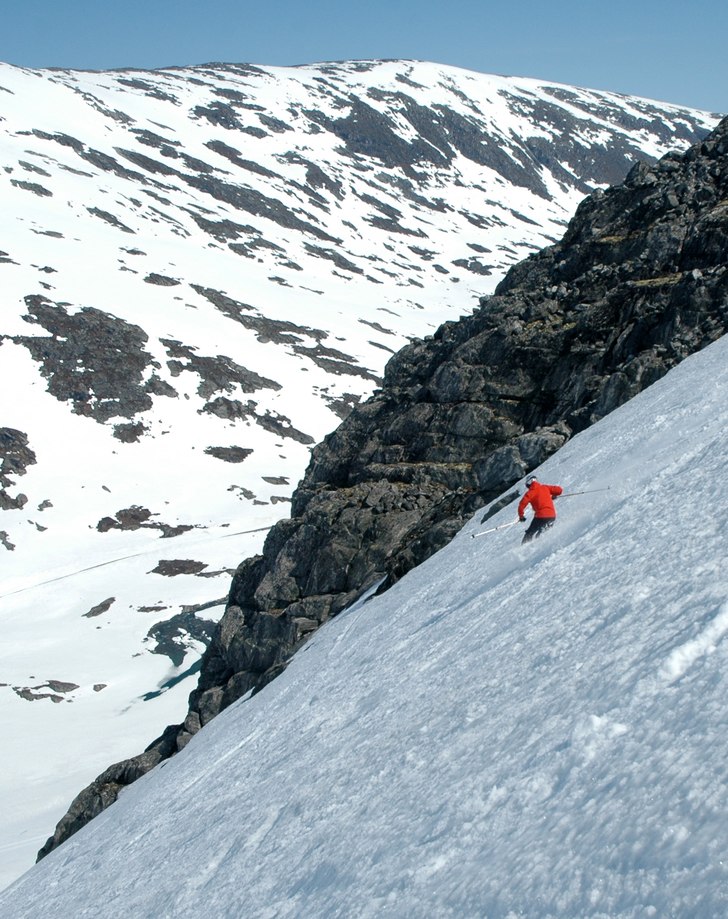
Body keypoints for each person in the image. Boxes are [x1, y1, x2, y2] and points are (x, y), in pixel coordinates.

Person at [518, 475, 563, 543]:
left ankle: (523, 549)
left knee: (529, 534)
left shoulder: (530, 493)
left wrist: (521, 516)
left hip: (540, 517)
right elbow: (559, 490)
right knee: (543, 535)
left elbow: (521, 505)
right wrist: (552, 495)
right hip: (552, 516)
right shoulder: (545, 487)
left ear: (529, 483)